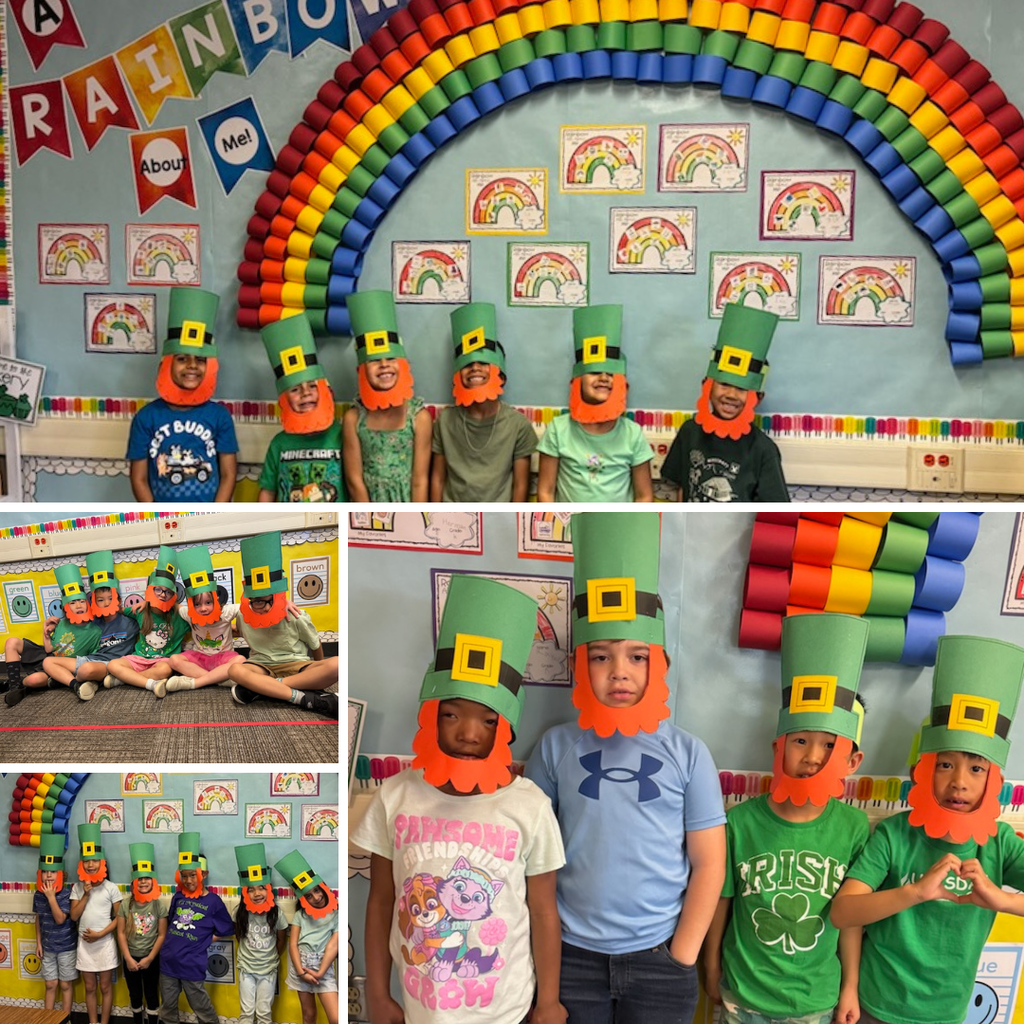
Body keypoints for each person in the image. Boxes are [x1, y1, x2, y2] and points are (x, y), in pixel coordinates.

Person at [526, 511, 725, 1024]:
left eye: (638, 657)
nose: (619, 672)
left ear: (660, 665)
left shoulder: (689, 754)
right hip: (571, 957)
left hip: (661, 957)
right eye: (601, 657)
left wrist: (682, 954)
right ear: (581, 664)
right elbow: (534, 860)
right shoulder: (554, 749)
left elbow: (708, 863)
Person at [351, 574, 566, 1024]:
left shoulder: (530, 807)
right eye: (451, 714)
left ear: (505, 725)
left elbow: (544, 911)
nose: (468, 733)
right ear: (430, 713)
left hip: (504, 1010)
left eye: (487, 720)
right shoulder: (396, 796)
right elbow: (381, 901)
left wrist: (548, 1001)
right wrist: (377, 991)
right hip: (419, 1010)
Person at [831, 635, 1024, 1024]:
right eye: (945, 765)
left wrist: (1001, 900)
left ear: (994, 778)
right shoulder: (895, 835)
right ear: (923, 770)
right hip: (876, 1004)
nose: (959, 783)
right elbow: (843, 912)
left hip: (947, 1012)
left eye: (976, 768)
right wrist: (915, 892)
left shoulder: (1001, 844)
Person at [704, 613, 871, 1024]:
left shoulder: (853, 827)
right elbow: (721, 901)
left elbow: (852, 917)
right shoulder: (740, 821)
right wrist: (709, 967)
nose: (813, 757)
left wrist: (849, 987)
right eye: (800, 741)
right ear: (777, 746)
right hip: (743, 996)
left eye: (829, 746)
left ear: (852, 762)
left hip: (813, 1001)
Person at [661, 302, 789, 502]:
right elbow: (681, 491)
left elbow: (773, 511)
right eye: (724, 384)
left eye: (741, 388)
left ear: (758, 397)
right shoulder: (689, 432)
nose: (731, 394)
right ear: (707, 386)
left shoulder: (763, 450)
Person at [126, 287, 238, 502]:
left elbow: (228, 474)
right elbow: (138, 478)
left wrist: (214, 516)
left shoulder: (219, 417)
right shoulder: (146, 417)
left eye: (200, 359)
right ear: (167, 363)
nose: (192, 366)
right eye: (182, 359)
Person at [537, 305, 653, 502]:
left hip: (617, 526)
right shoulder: (559, 429)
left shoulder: (632, 433)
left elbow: (644, 496)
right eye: (594, 372)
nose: (603, 378)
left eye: (610, 374)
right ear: (576, 380)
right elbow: (545, 491)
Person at [430, 302, 537, 501]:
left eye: (484, 363)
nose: (475, 368)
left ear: (501, 374)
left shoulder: (517, 425)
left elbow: (520, 485)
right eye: (467, 364)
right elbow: (437, 478)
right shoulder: (445, 421)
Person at [227, 530, 339, 717]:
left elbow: (315, 644)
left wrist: (318, 672)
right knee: (234, 669)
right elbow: (236, 630)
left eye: (264, 601)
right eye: (255, 601)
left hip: (296, 665)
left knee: (336, 665)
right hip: (260, 666)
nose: (259, 607)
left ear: (278, 597)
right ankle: (303, 698)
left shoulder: (295, 615)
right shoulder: (243, 614)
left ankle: (263, 689)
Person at [341, 289, 431, 501]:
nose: (383, 366)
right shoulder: (354, 419)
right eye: (374, 360)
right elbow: (354, 480)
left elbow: (420, 480)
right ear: (362, 369)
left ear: (403, 364)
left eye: (390, 358)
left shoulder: (419, 418)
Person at [258, 314, 344, 502]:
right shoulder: (279, 444)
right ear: (284, 399)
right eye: (296, 389)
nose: (306, 393)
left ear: (327, 390)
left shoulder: (343, 437)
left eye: (312, 386)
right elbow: (268, 490)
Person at [158, 832, 234, 1024]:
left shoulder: (213, 902)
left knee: (202, 1008)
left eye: (193, 875)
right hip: (168, 962)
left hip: (192, 964)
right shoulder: (178, 897)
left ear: (204, 874)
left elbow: (227, 929)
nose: (189, 880)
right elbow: (171, 920)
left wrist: (206, 940)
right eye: (184, 876)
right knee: (167, 1008)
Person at [104, 546, 190, 697]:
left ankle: (125, 680)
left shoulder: (179, 615)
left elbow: (199, 619)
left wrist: (178, 607)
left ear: (174, 594)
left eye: (168, 591)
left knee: (166, 670)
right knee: (113, 665)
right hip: (139, 658)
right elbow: (120, 610)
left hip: (162, 661)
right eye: (158, 589)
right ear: (150, 589)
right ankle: (152, 682)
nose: (163, 595)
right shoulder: (141, 610)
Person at [11, 563, 100, 706]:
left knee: (36, 680)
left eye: (82, 601)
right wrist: (44, 630)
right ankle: (14, 685)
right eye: (73, 603)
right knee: (13, 643)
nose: (78, 606)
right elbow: (48, 650)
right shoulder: (62, 624)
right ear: (66, 606)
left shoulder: (95, 631)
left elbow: (91, 657)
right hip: (49, 659)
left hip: (64, 667)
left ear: (87, 604)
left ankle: (28, 684)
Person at [163, 545, 245, 693]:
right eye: (197, 604)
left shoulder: (225, 612)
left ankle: (195, 683)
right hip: (199, 658)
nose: (203, 608)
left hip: (223, 657)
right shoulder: (189, 614)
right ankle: (217, 680)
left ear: (216, 600)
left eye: (208, 602)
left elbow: (249, 605)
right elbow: (174, 605)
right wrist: (146, 601)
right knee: (174, 660)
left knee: (241, 661)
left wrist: (284, 602)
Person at [63, 550, 141, 700]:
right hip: (90, 659)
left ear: (118, 600)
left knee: (85, 670)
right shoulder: (93, 623)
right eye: (100, 600)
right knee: (49, 662)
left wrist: (139, 606)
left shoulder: (130, 623)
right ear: (93, 602)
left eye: (110, 599)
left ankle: (75, 680)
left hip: (111, 664)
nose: (106, 603)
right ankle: (77, 682)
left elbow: (150, 621)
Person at [275, 849, 340, 1024]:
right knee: (309, 1015)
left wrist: (319, 972)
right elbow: (293, 945)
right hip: (300, 966)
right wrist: (301, 972)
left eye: (317, 891)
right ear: (303, 900)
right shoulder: (300, 916)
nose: (316, 897)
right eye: (308, 896)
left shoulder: (336, 914)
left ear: (324, 887)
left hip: (323, 968)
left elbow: (334, 946)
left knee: (336, 1018)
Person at [70, 823, 121, 1024]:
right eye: (87, 861)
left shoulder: (111, 888)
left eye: (94, 861)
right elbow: (74, 916)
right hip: (85, 945)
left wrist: (100, 934)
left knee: (105, 987)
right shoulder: (77, 888)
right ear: (81, 864)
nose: (91, 865)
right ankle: (93, 1022)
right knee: (89, 987)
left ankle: (104, 1021)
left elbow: (119, 918)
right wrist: (86, 893)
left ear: (103, 863)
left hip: (104, 942)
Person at [233, 843, 289, 1024]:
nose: (257, 893)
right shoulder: (239, 912)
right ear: (244, 893)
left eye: (261, 888)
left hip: (268, 969)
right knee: (246, 1012)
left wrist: (272, 957)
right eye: (251, 889)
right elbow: (238, 935)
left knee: (264, 1013)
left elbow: (281, 939)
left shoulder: (277, 914)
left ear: (268, 889)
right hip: (246, 969)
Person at [116, 842, 168, 1024]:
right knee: (135, 994)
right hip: (131, 957)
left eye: (147, 878)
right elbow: (121, 933)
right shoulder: (125, 903)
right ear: (133, 882)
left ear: (153, 881)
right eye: (140, 878)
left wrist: (150, 958)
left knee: (152, 993)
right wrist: (129, 959)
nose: (144, 881)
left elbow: (161, 935)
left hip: (151, 958)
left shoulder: (158, 904)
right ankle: (137, 1019)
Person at [33, 834, 78, 1017]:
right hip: (48, 947)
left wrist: (51, 897)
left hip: (66, 947)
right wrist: (38, 943)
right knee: (50, 984)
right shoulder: (37, 895)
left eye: (52, 872)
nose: (48, 875)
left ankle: (64, 1019)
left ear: (61, 873)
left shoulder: (66, 893)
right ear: (40, 873)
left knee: (66, 984)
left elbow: (60, 919)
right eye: (45, 871)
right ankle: (48, 1020)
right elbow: (38, 919)